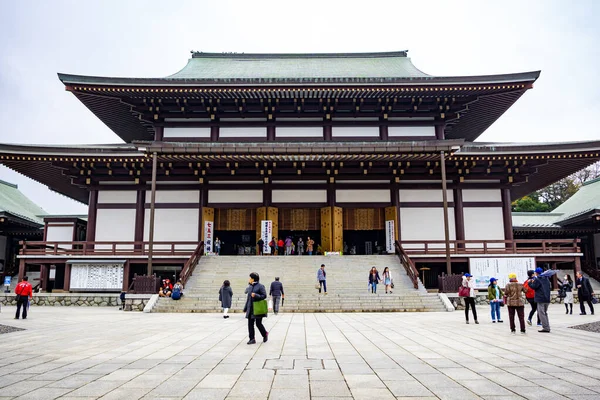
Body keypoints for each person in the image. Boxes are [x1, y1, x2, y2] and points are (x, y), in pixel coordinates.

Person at [528, 267, 556, 333]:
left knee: (541, 313)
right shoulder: (546, 279)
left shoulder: (538, 279)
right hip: (547, 298)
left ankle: (546, 327)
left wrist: (530, 283)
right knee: (545, 313)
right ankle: (547, 326)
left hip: (540, 298)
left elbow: (534, 287)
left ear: (536, 273)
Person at [243, 272, 268, 344]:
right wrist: (245, 308)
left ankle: (265, 334)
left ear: (253, 279)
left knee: (258, 324)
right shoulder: (250, 287)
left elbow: (264, 296)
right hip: (250, 308)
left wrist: (256, 295)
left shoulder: (260, 286)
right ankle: (252, 339)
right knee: (250, 324)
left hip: (257, 308)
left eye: (250, 278)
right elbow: (248, 298)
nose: (249, 279)